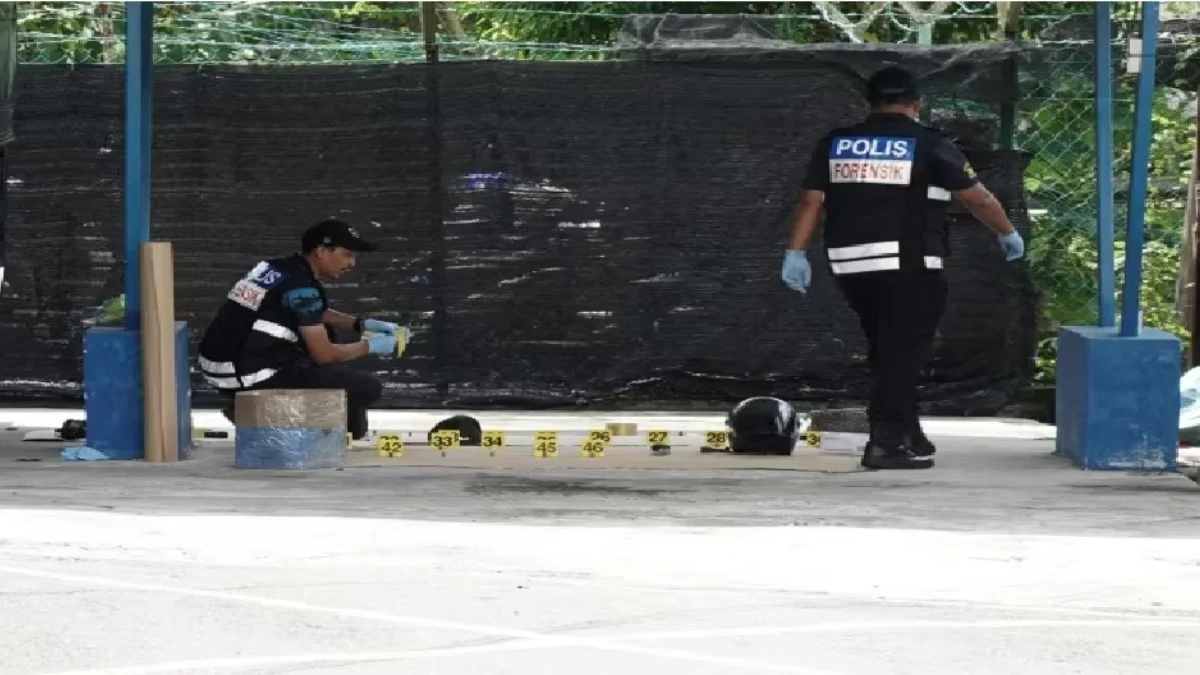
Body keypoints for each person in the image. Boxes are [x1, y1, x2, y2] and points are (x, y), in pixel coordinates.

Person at [780, 66, 1025, 471]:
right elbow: (977, 198)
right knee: (902, 354)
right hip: (906, 265)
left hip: (850, 265)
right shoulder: (928, 144)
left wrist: (796, 252)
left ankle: (909, 432)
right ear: (916, 105)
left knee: (889, 349)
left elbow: (811, 202)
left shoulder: (837, 143)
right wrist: (1007, 232)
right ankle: (886, 442)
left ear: (868, 104)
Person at [197, 218, 408, 440]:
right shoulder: (302, 287)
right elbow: (325, 355)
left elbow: (308, 310)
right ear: (321, 251)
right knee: (366, 387)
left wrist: (361, 324)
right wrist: (371, 346)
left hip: (219, 367)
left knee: (319, 345)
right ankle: (267, 416)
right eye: (347, 254)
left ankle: (258, 408)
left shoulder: (275, 269)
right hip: (247, 375)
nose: (352, 263)